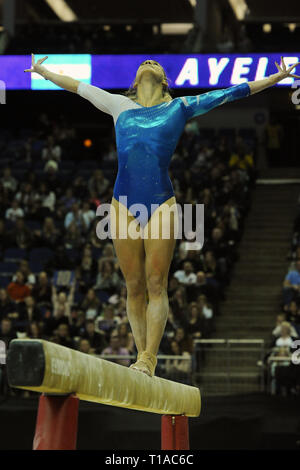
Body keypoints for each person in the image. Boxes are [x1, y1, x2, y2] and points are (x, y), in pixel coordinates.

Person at [25, 54, 300, 377]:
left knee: (157, 283)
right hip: (122, 203)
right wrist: (43, 72)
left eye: (155, 63)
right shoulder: (117, 105)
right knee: (134, 286)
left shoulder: (179, 107)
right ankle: (139, 355)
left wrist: (274, 78)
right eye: (145, 62)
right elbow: (78, 87)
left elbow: (230, 92)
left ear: (165, 80)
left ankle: (149, 358)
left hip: (160, 202)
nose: (150, 61)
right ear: (135, 80)